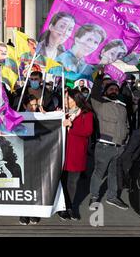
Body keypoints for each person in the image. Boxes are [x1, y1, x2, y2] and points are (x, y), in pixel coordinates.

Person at [89, 68, 130, 210]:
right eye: (110, 89)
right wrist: (99, 76)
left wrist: (125, 140)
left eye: (115, 89)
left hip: (119, 147)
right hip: (104, 146)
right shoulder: (100, 104)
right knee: (99, 173)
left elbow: (126, 124)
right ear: (105, 92)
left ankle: (112, 197)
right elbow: (94, 93)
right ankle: (94, 197)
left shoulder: (122, 106)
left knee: (113, 174)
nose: (113, 90)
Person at [57, 89, 94, 221]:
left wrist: (71, 126)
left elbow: (88, 131)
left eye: (68, 98)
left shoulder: (86, 114)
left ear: (75, 99)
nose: (65, 100)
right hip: (61, 152)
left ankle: (70, 207)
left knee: (72, 182)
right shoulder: (62, 113)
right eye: (65, 98)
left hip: (76, 153)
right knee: (61, 181)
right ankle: (61, 207)